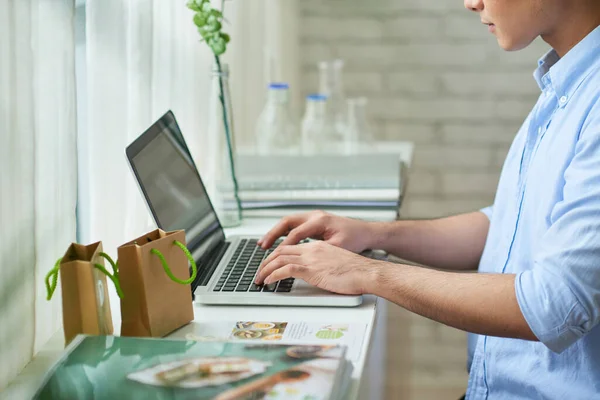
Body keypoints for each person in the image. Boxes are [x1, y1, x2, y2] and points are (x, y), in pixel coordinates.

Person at [254, 0, 600, 398]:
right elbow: (507, 226)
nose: (471, 3)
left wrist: (367, 273)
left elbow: (555, 305)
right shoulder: (566, 83)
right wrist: (374, 235)